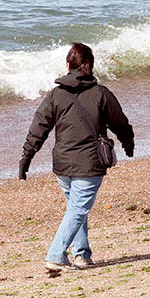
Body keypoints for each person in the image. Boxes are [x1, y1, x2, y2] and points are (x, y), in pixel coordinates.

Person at [18, 42, 135, 274]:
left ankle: (82, 255)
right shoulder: (101, 94)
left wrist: (26, 157)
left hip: (62, 164)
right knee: (78, 210)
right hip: (89, 164)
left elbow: (38, 128)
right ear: (89, 66)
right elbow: (120, 123)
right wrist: (128, 142)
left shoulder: (56, 95)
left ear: (68, 65)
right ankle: (56, 256)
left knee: (76, 208)